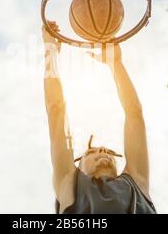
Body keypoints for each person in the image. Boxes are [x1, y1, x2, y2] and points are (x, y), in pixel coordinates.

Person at [43, 21, 156, 214]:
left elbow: (134, 113)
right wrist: (50, 50)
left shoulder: (137, 181)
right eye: (92, 152)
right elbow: (55, 109)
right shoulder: (69, 181)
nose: (103, 150)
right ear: (78, 164)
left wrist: (115, 63)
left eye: (107, 151)